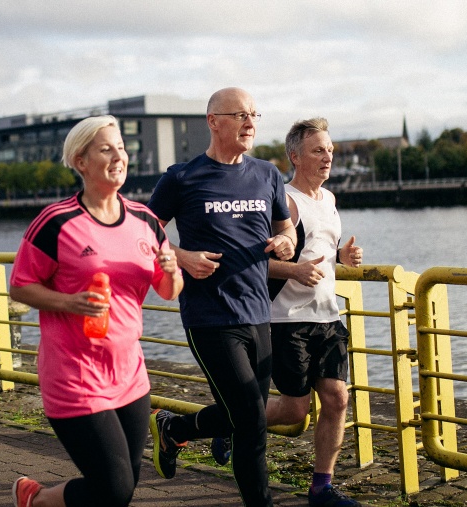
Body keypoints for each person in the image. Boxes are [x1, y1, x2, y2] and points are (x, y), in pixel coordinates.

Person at [9, 115, 183, 507]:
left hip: (129, 375)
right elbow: (20, 284)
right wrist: (69, 302)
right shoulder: (57, 222)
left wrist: (173, 273)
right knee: (114, 488)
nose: (118, 156)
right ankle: (35, 501)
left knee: (121, 487)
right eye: (106, 149)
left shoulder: (146, 221)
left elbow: (168, 291)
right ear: (81, 160)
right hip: (75, 376)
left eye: (121, 147)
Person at [145, 87, 296, 507]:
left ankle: (174, 430)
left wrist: (285, 243)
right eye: (240, 115)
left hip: (257, 312)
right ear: (213, 121)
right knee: (250, 421)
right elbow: (142, 232)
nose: (251, 122)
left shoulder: (266, 174)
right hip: (209, 315)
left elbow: (287, 229)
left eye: (254, 114)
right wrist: (181, 256)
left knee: (244, 413)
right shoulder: (182, 177)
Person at [266, 117, 363, 507]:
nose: (328, 157)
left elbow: (319, 251)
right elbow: (262, 262)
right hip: (288, 320)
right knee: (294, 409)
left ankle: (321, 487)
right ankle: (232, 423)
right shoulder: (285, 201)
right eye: (318, 150)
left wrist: (343, 256)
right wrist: (294, 270)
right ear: (295, 156)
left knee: (338, 398)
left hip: (328, 317)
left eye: (330, 150)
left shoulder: (331, 200)